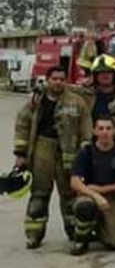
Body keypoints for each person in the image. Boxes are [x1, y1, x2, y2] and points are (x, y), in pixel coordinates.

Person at [13, 66, 91, 248]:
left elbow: (86, 126)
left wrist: (85, 153)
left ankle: (74, 231)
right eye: (54, 78)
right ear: (47, 80)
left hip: (69, 151)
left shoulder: (77, 102)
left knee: (70, 194)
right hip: (42, 148)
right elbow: (22, 124)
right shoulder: (36, 101)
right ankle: (34, 234)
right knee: (39, 193)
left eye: (62, 79)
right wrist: (20, 154)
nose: (58, 82)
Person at [68, 116, 115, 255]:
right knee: (85, 205)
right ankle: (81, 240)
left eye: (108, 128)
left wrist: (102, 190)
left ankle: (100, 226)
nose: (105, 132)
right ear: (94, 131)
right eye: (101, 128)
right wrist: (95, 195)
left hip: (113, 198)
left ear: (114, 131)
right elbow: (74, 182)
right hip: (89, 196)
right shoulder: (86, 152)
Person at [71, 54, 115, 148]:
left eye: (109, 72)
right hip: (93, 147)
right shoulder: (85, 94)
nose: (105, 75)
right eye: (101, 72)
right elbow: (62, 87)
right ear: (95, 75)